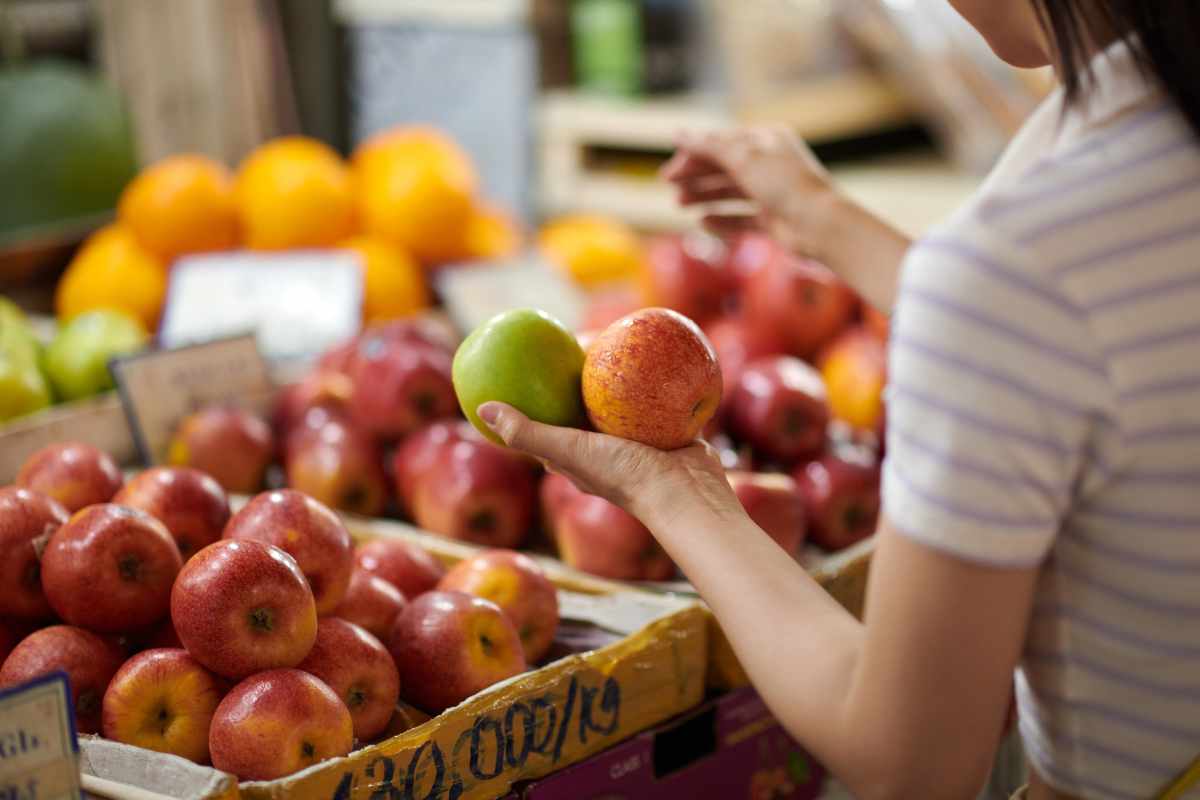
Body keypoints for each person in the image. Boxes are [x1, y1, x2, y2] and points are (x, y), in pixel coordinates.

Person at [479, 3, 1200, 798]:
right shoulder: (1148, 130)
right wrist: (820, 221)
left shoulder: (1017, 264)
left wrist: (673, 491)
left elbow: (911, 763)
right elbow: (1081, 335)